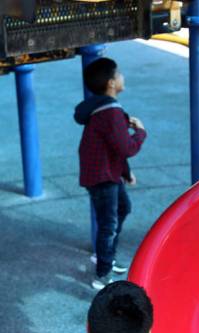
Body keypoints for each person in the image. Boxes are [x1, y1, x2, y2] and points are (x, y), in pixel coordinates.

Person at [74, 57, 146, 290]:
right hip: (102, 176)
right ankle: (102, 274)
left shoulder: (104, 109)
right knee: (108, 223)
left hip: (105, 173)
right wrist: (141, 133)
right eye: (119, 74)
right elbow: (126, 147)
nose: (122, 76)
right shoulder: (111, 112)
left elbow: (113, 148)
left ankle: (106, 256)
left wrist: (125, 172)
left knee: (122, 209)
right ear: (111, 83)